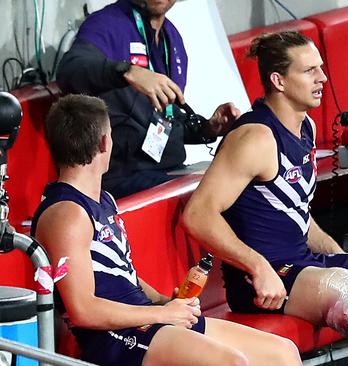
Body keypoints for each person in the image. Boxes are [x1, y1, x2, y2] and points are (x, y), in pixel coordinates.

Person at [182, 31, 348, 366]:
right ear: (278, 81)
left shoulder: (306, 126)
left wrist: (338, 257)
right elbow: (198, 214)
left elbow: (292, 210)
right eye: (309, 71)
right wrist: (258, 266)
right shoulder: (254, 137)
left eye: (321, 68)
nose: (322, 78)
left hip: (305, 264)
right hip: (268, 279)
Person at [32, 94, 301, 366]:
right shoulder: (66, 213)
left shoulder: (103, 200)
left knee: (282, 353)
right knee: (231, 363)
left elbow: (123, 275)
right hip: (113, 337)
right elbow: (83, 310)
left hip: (146, 320)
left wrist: (166, 304)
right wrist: (161, 315)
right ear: (104, 143)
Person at [56, 0, 240, 198]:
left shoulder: (173, 37)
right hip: (123, 179)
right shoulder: (107, 23)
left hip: (170, 171)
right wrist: (127, 71)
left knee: (238, 174)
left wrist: (207, 128)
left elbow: (166, 118)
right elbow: (69, 70)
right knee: (218, 190)